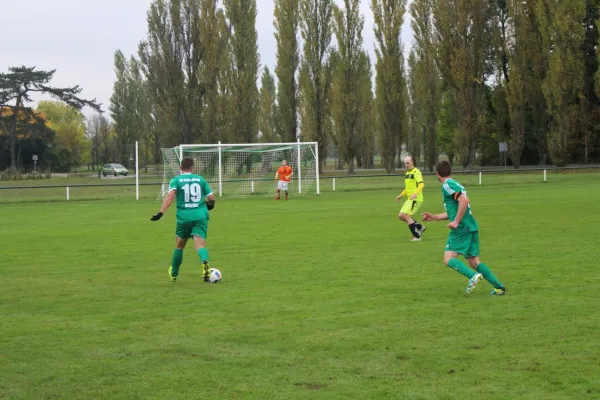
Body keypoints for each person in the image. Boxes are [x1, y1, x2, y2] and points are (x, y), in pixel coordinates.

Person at [421, 160, 506, 295]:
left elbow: (464, 201)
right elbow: (455, 211)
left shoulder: (447, 185)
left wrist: (456, 222)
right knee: (474, 261)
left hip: (461, 228)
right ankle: (499, 287)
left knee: (448, 259)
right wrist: (433, 217)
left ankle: (472, 276)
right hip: (471, 226)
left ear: (437, 174)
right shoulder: (455, 184)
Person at [150, 157, 216, 283]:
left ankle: (174, 273)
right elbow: (211, 198)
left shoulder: (176, 180)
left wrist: (161, 213)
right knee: (200, 245)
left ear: (180, 168)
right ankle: (205, 262)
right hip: (200, 216)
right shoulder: (200, 179)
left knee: (180, 245)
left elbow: (170, 196)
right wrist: (211, 205)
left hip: (184, 218)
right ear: (192, 168)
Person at [396, 155, 426, 241]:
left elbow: (421, 184)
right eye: (405, 163)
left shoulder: (416, 172)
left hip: (416, 199)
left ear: (412, 162)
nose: (406, 165)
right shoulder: (407, 173)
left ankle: (417, 236)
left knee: (407, 216)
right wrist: (401, 195)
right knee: (401, 216)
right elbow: (408, 188)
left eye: (408, 163)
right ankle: (420, 227)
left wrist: (415, 194)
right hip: (410, 199)